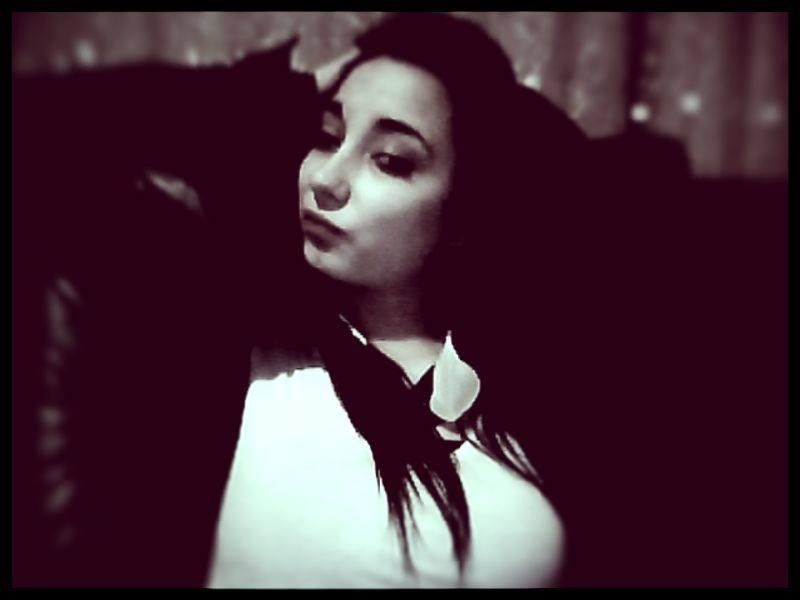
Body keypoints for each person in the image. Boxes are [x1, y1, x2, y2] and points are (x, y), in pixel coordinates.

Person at [206, 13, 598, 588]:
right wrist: (309, 82)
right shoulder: (247, 345)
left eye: (390, 160)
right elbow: (88, 127)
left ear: (464, 210)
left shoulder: (541, 381)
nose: (326, 180)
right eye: (326, 136)